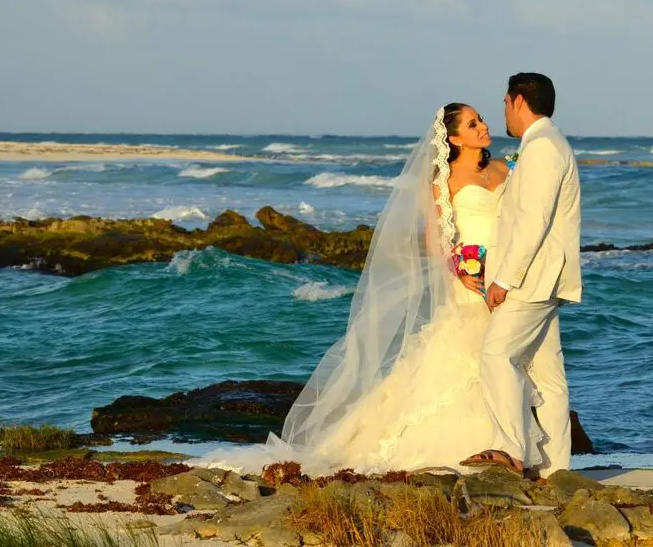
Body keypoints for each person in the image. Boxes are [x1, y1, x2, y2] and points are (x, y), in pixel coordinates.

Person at [197, 96, 555, 476]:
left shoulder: (505, 169)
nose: (483, 126)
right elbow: (438, 242)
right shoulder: (442, 182)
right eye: (471, 124)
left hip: (507, 279)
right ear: (453, 139)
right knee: (470, 357)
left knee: (503, 360)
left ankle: (511, 447)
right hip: (469, 285)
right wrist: (461, 271)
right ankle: (474, 448)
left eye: (481, 119)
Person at [461, 72, 582, 479]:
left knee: (496, 354)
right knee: (548, 372)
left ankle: (511, 449)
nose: (503, 114)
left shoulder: (544, 148)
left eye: (504, 104)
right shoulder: (544, 143)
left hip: (532, 278)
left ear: (517, 101)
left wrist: (503, 280)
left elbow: (533, 222)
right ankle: (554, 468)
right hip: (543, 277)